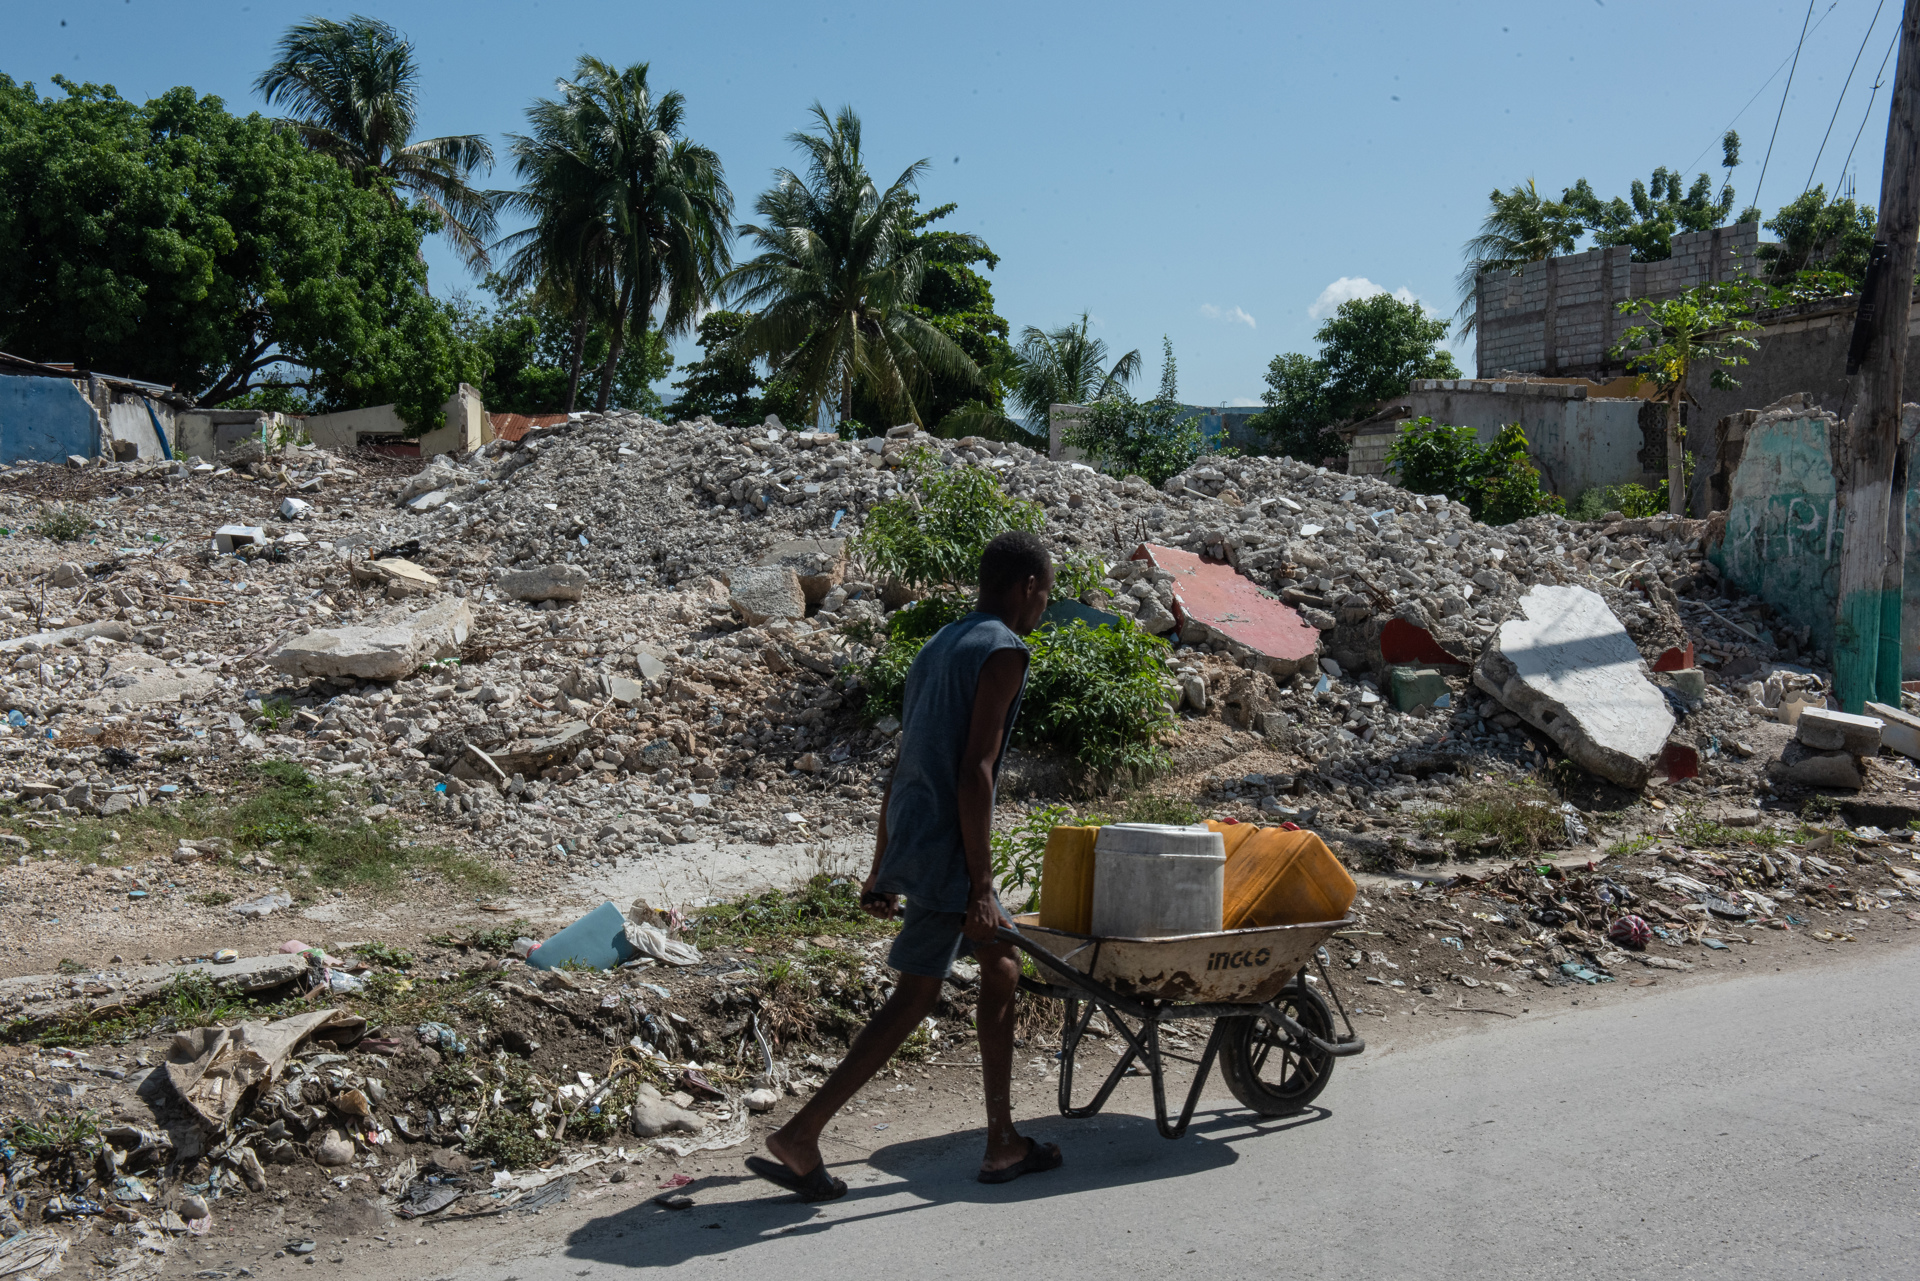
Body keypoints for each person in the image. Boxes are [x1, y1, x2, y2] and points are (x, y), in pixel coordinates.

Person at [745, 530, 1063, 1201]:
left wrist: (882, 863)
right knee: (921, 992)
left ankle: (1000, 1138)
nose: (1045, 605)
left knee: (997, 966)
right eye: (1045, 592)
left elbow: (906, 763)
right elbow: (974, 772)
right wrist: (980, 885)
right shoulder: (1004, 650)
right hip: (952, 845)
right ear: (1025, 587)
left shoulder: (938, 645)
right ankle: (806, 1134)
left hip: (919, 832)